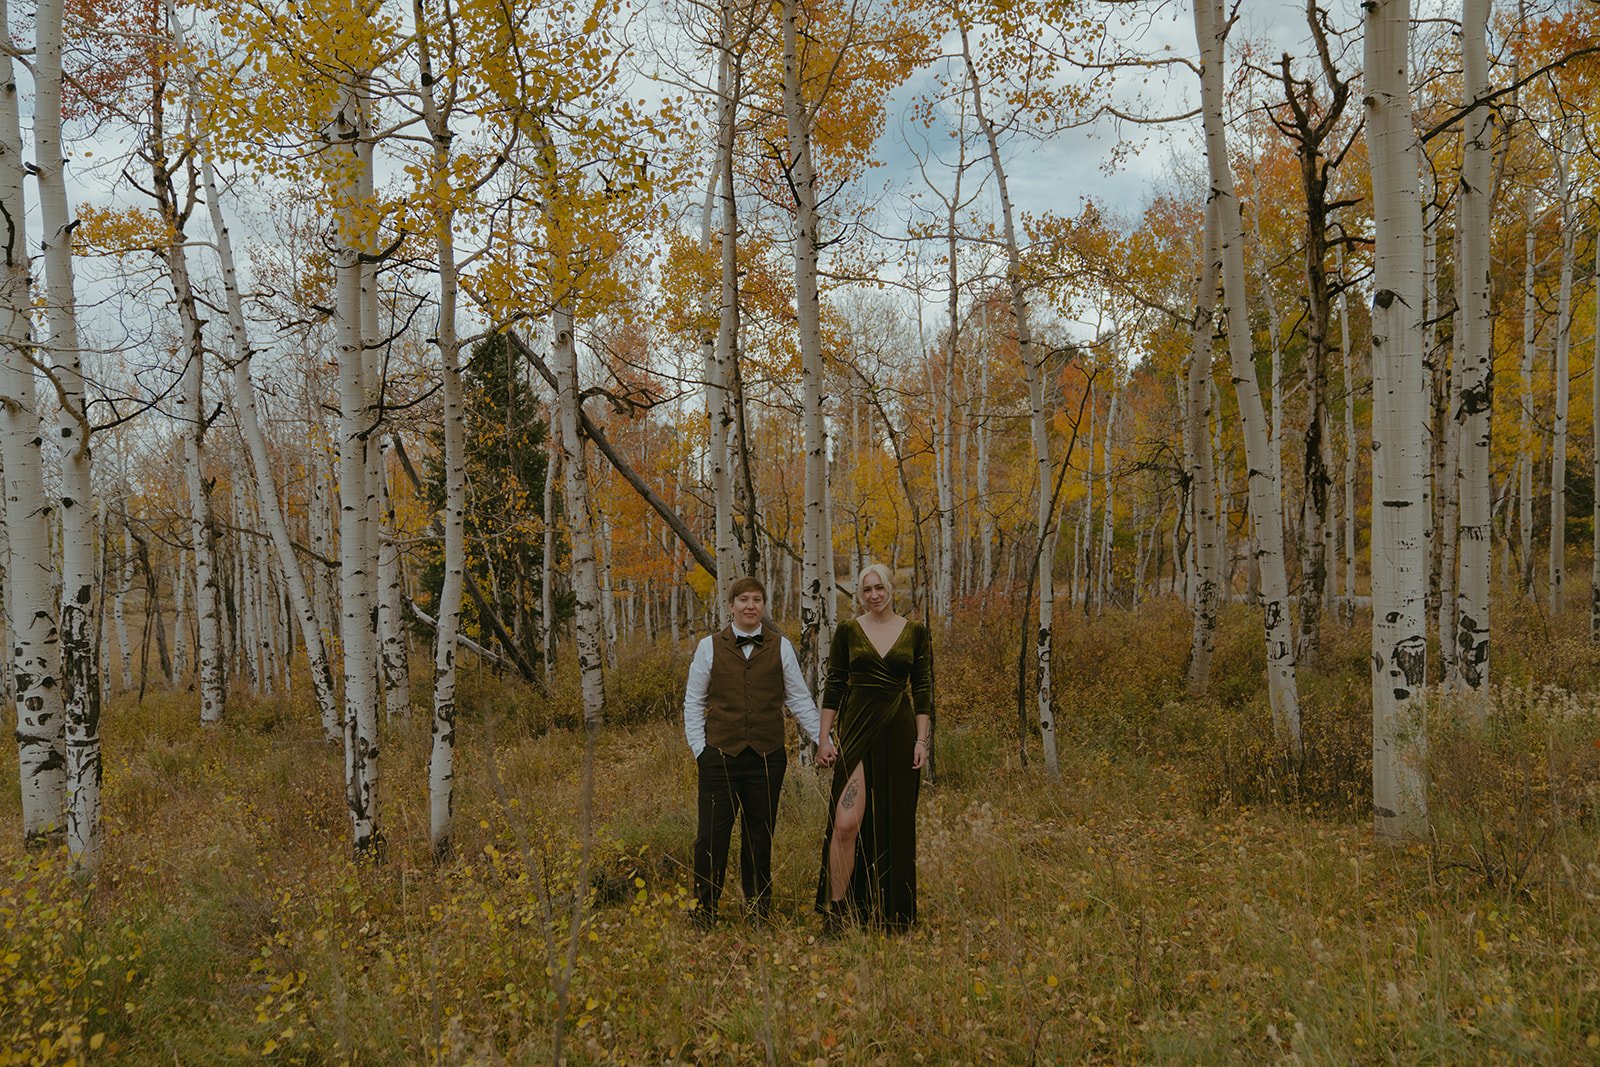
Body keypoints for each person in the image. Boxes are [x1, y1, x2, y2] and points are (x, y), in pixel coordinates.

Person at [683, 576, 822, 928]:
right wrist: (701, 751)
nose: (750, 605)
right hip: (719, 758)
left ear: (763, 606)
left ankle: (758, 910)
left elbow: (799, 699)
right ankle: (704, 912)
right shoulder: (709, 647)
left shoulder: (781, 646)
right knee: (710, 837)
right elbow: (693, 702)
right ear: (731, 605)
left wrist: (824, 739)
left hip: (767, 757)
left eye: (757, 599)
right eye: (743, 599)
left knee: (759, 836)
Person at [814, 563, 932, 933]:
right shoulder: (848, 631)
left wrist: (921, 741)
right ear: (860, 594)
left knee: (894, 824)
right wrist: (824, 737)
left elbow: (923, 689)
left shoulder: (915, 632)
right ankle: (837, 913)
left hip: (899, 732)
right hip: (857, 732)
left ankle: (892, 913)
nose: (874, 595)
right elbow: (834, 685)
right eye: (867, 590)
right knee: (845, 823)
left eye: (879, 588)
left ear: (891, 589)